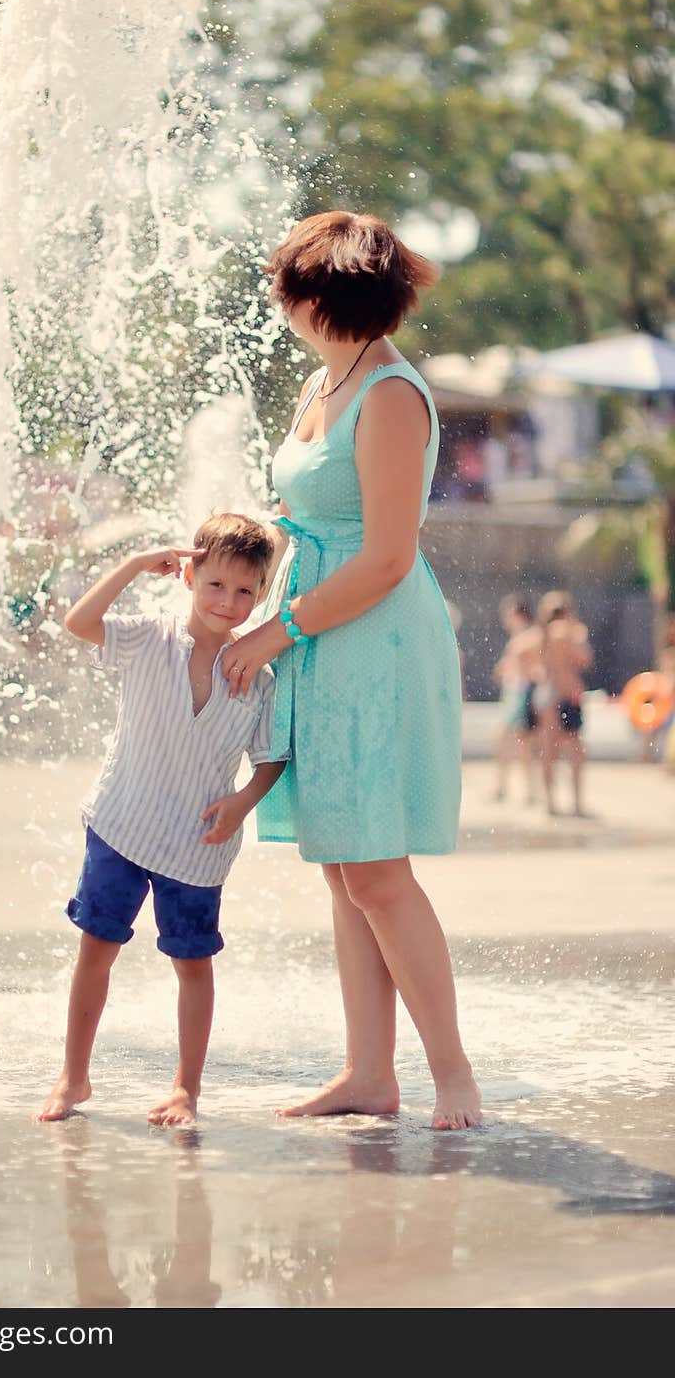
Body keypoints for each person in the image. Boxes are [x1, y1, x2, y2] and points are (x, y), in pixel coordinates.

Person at [221, 211, 482, 1130]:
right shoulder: (323, 382)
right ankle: (370, 1074)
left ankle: (452, 1074)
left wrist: (275, 631)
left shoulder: (392, 396)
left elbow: (386, 558)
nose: (277, 297)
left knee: (376, 870)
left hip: (371, 637)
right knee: (344, 867)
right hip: (318, 632)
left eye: (288, 282)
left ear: (323, 293)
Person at [36, 513, 286, 1126]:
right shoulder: (149, 637)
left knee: (193, 965)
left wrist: (243, 802)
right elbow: (79, 623)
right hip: (122, 824)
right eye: (216, 585)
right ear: (189, 578)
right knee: (97, 950)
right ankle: (73, 1077)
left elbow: (272, 758)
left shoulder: (257, 674)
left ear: (261, 596)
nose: (229, 602)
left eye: (246, 591)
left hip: (198, 844)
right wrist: (134, 563)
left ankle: (185, 1089)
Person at [535, 591, 593, 816]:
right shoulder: (565, 631)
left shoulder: (543, 634)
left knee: (549, 750)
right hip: (564, 696)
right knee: (576, 751)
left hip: (548, 694)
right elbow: (585, 659)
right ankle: (576, 803)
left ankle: (550, 803)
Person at [491, 594, 542, 803]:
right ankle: (505, 787)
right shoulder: (520, 636)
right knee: (508, 741)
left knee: (523, 743)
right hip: (514, 693)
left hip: (523, 693)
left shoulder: (531, 636)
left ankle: (528, 790)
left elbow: (530, 665)